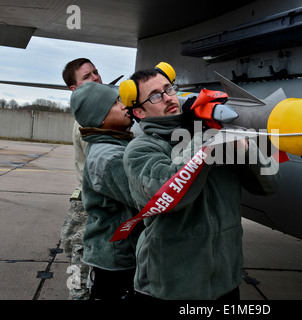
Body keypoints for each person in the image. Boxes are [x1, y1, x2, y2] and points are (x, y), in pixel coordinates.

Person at [122, 68, 281, 300]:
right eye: (155, 96)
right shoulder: (141, 149)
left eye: (168, 89)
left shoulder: (215, 134)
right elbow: (170, 195)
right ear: (140, 112)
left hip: (226, 282)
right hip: (170, 286)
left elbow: (270, 185)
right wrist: (204, 138)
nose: (168, 97)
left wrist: (247, 148)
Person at [69, 81, 142, 299]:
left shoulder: (111, 144)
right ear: (100, 118)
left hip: (114, 256)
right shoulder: (108, 157)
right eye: (116, 103)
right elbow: (144, 196)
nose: (124, 106)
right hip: (117, 260)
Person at [60, 58, 102, 300]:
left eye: (95, 72)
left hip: (88, 200)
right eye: (87, 76)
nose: (95, 78)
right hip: (88, 204)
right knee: (80, 280)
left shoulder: (96, 113)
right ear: (74, 89)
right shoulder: (89, 120)